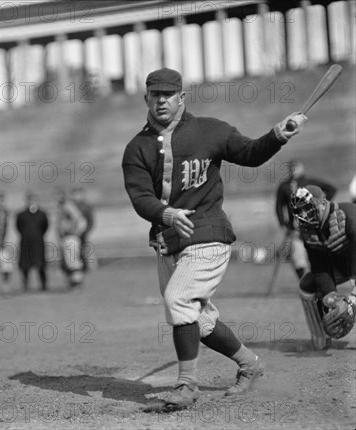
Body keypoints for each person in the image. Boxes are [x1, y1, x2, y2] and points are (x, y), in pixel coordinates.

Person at [121, 67, 307, 410]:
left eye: (168, 94)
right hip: (168, 241)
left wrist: (278, 134)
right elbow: (140, 197)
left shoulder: (210, 130)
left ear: (182, 97)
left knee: (178, 300)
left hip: (209, 235)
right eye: (155, 94)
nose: (162, 100)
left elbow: (250, 154)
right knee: (200, 320)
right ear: (145, 98)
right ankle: (250, 364)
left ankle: (187, 386)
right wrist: (167, 214)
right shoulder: (137, 148)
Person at [290, 185, 356, 350]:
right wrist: (331, 295)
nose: (304, 215)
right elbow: (320, 269)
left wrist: (351, 301)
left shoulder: (349, 217)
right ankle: (321, 337)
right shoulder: (309, 232)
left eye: (307, 208)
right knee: (306, 286)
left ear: (322, 203)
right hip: (343, 267)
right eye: (299, 211)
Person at [275, 160, 337, 280]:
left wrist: (322, 205)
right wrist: (283, 224)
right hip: (295, 229)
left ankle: (322, 282)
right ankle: (306, 283)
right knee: (298, 259)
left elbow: (332, 189)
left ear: (301, 168)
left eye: (296, 168)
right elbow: (278, 207)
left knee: (318, 257)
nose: (293, 171)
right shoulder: (284, 186)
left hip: (313, 229)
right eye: (291, 168)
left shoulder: (309, 183)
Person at [16, 191, 49, 291]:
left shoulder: (42, 214)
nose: (32, 202)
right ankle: (25, 285)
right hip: (25, 242)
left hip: (38, 242)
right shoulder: (21, 214)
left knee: (40, 265)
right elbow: (18, 227)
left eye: (34, 199)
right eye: (30, 199)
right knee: (25, 265)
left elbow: (45, 227)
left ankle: (43, 285)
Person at [55, 189, 87, 289]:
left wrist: (73, 230)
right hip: (65, 238)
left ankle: (77, 284)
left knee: (73, 261)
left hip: (71, 237)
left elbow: (78, 218)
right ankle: (72, 283)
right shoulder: (61, 207)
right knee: (68, 261)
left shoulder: (68, 206)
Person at [72, 187, 95, 272]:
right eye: (74, 194)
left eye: (78, 194)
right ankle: (77, 268)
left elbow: (91, 221)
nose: (76, 196)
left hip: (83, 233)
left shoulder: (86, 206)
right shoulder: (71, 206)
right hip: (73, 233)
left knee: (85, 250)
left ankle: (87, 267)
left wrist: (86, 231)